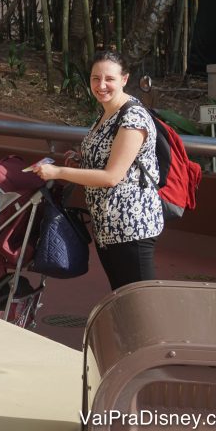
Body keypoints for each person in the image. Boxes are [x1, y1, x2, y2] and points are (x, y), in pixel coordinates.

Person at [33, 50, 163, 290]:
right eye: (95, 78)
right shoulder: (105, 114)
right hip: (106, 226)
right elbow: (103, 161)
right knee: (121, 299)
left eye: (109, 79)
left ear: (124, 79)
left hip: (132, 226)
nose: (101, 85)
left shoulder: (133, 117)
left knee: (143, 303)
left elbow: (112, 176)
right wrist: (79, 162)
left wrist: (59, 172)